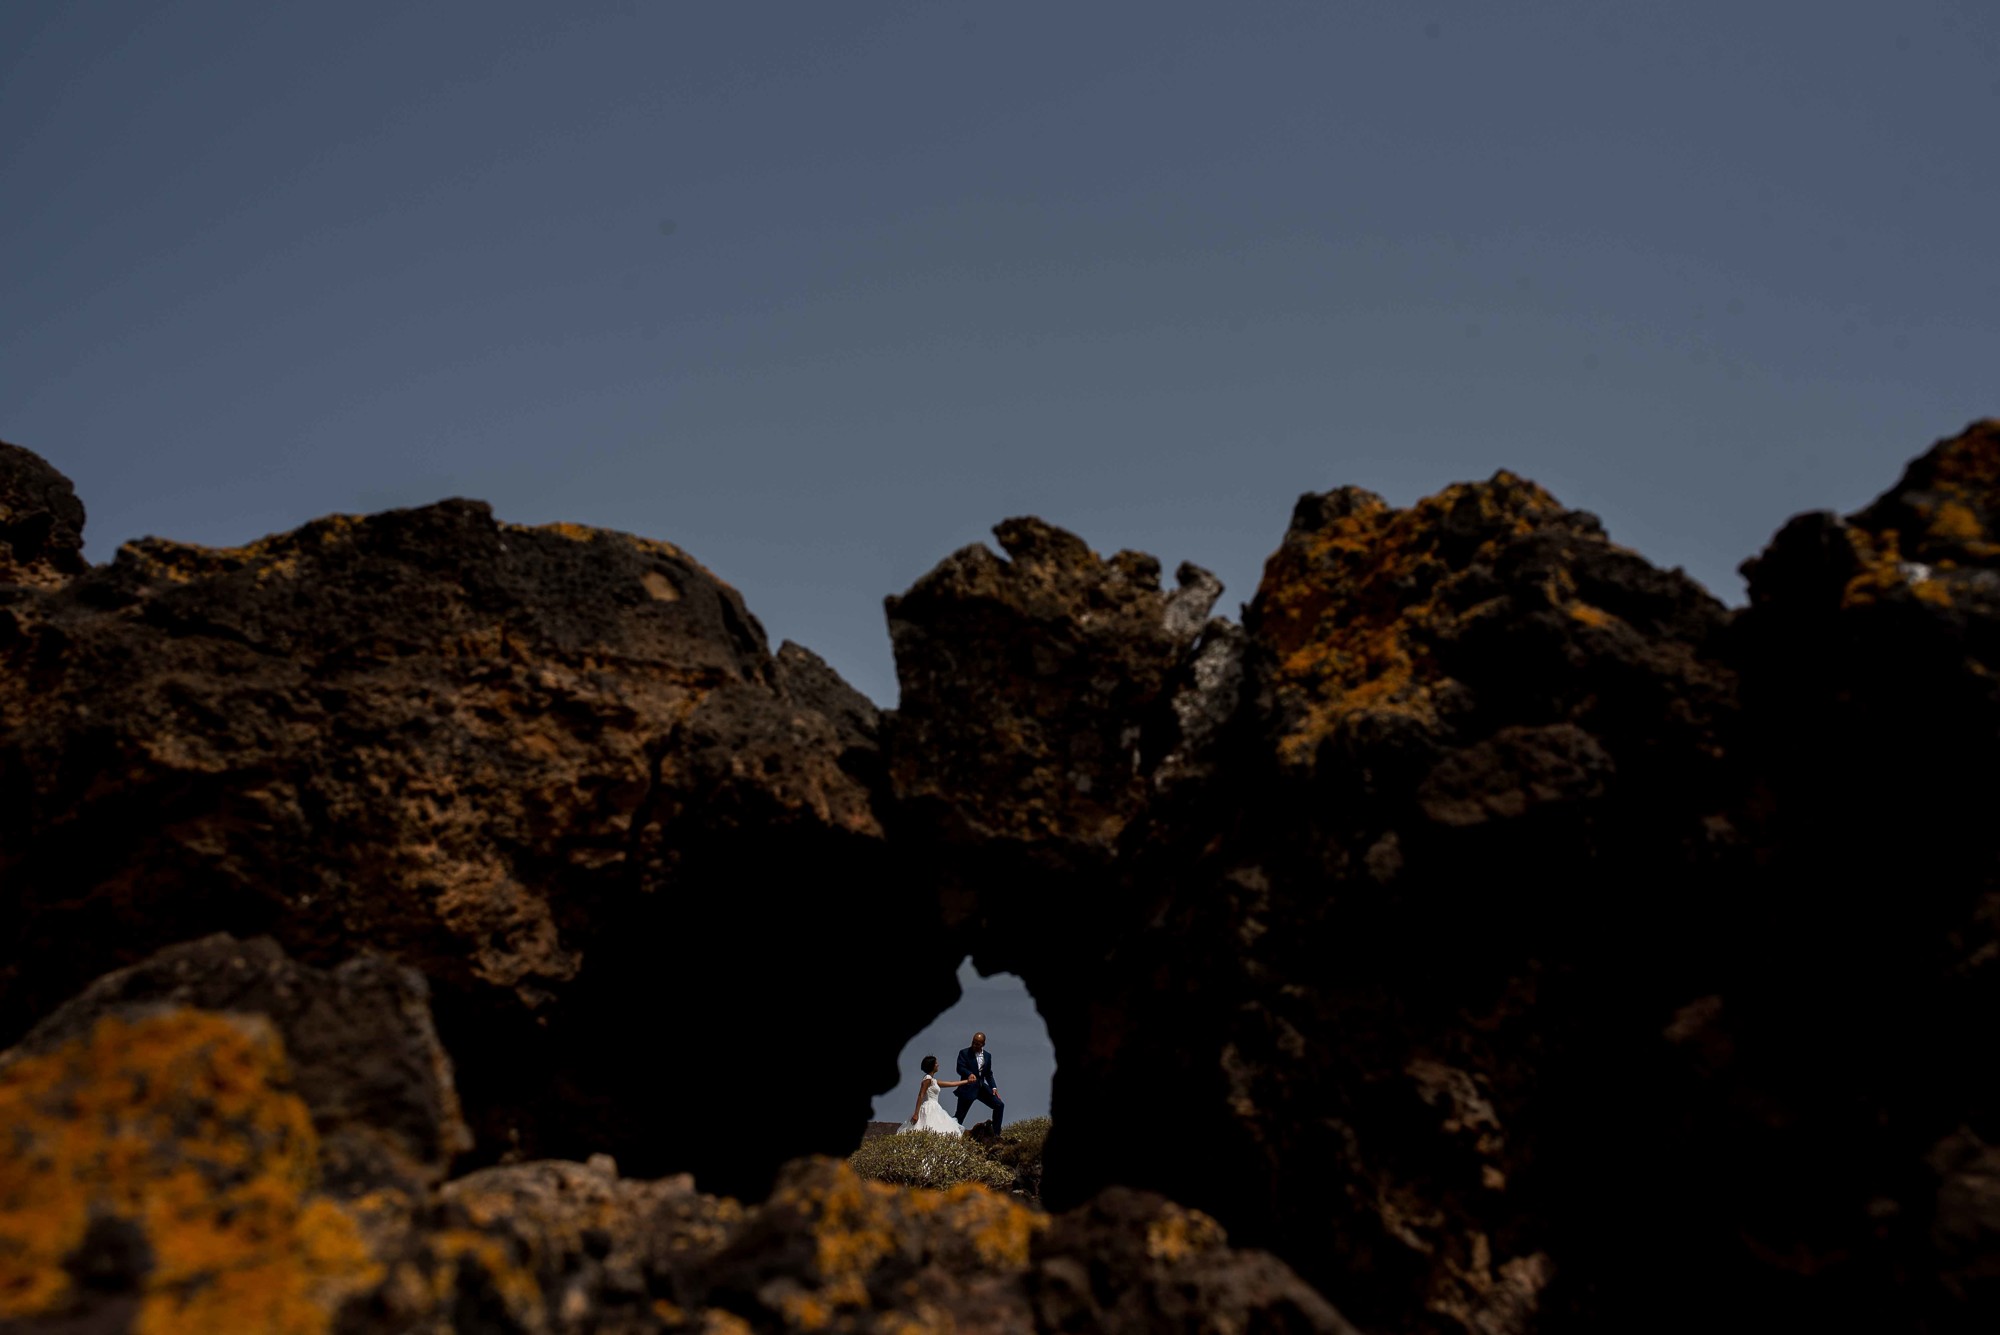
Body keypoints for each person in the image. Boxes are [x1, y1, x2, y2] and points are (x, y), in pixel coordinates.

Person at [897, 1055, 978, 1136]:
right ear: (931, 1066)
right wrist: (916, 1113)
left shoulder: (933, 1081)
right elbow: (920, 1095)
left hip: (935, 1107)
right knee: (929, 1128)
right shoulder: (927, 1079)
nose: (938, 1065)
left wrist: (967, 1081)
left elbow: (951, 1083)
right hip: (929, 1107)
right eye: (936, 1063)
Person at [953, 1031, 1004, 1132]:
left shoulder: (988, 1056)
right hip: (968, 1089)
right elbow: (960, 1068)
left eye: (977, 1043)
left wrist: (993, 1087)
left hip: (981, 1088)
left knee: (999, 1105)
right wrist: (969, 1074)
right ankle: (951, 1135)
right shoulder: (964, 1053)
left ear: (983, 1044)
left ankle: (996, 1135)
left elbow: (988, 1073)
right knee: (959, 1117)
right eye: (973, 1042)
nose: (974, 1045)